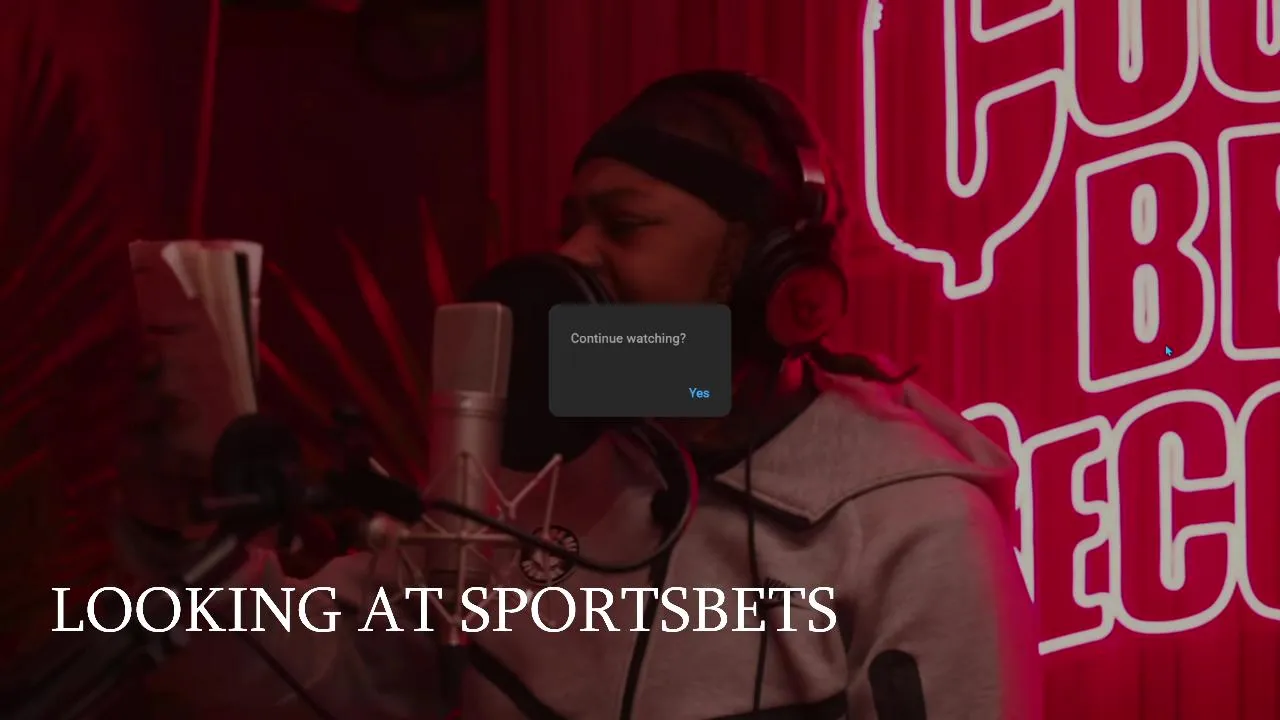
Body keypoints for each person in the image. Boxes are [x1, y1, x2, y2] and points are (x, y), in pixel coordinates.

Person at [105, 70, 1042, 719]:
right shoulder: (517, 493)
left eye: (623, 226)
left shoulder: (911, 529)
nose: (573, 256)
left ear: (774, 279)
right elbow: (284, 686)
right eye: (571, 224)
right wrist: (175, 530)